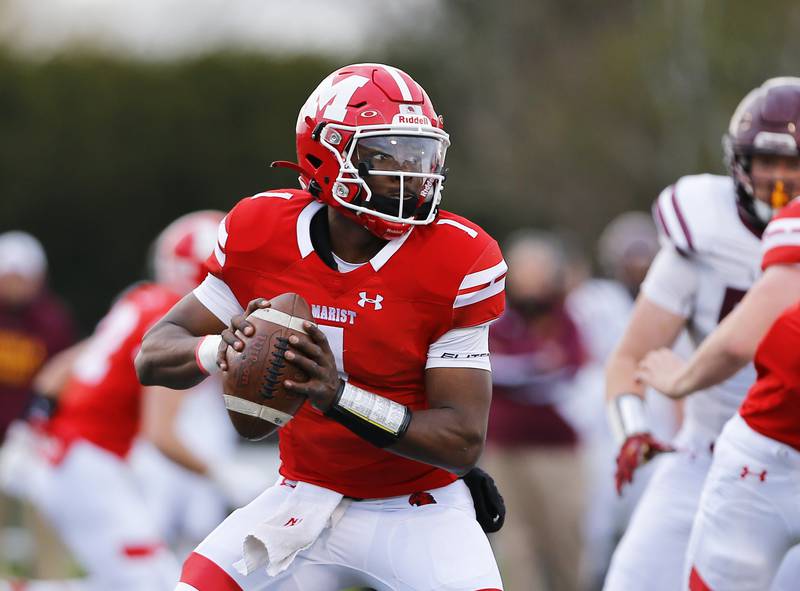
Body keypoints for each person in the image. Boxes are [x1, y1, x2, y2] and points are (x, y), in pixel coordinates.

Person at [135, 63, 507, 591]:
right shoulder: (262, 231)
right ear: (326, 154)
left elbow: (461, 439)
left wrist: (339, 396)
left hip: (417, 508)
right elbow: (152, 354)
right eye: (386, 155)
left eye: (419, 154)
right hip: (302, 494)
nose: (412, 174)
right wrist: (223, 347)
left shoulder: (459, 258)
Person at [602, 77, 800, 591]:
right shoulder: (703, 232)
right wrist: (631, 430)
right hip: (707, 454)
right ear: (739, 162)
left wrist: (684, 378)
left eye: (793, 164)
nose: (779, 180)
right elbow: (632, 357)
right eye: (766, 162)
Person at [1, 211, 245, 591]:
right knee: (154, 584)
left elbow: (59, 370)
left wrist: (33, 427)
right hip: (85, 461)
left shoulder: (140, 298)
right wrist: (223, 475)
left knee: (139, 580)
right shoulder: (171, 324)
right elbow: (161, 433)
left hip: (73, 454)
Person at [481, 230, 586, 591]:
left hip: (557, 449)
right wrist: (533, 365)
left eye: (538, 270)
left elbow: (569, 369)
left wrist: (523, 369)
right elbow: (488, 367)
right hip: (505, 446)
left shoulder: (566, 316)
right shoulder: (496, 311)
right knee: (514, 542)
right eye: (524, 269)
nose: (530, 279)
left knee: (565, 539)